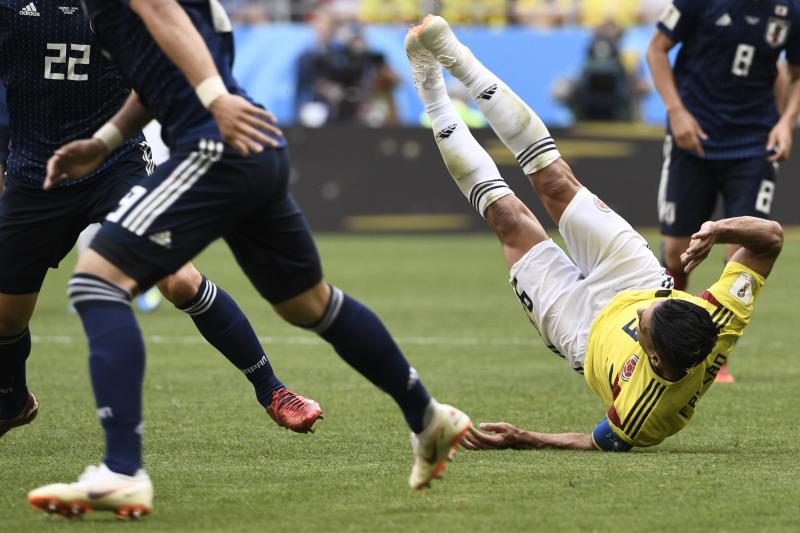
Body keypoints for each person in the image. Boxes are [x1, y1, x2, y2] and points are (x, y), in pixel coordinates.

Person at [27, 0, 470, 519]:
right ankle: (427, 416)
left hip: (215, 144)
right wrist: (103, 142)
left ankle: (122, 471)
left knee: (96, 282)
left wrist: (213, 101)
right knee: (310, 304)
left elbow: (165, 18)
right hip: (253, 143)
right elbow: (158, 67)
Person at [405, 16, 782, 453]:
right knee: (554, 180)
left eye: (644, 323)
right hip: (636, 278)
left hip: (580, 329)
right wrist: (720, 228)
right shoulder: (717, 318)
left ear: (654, 358)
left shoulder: (647, 412)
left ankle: (431, 88)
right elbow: (771, 238)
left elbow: (596, 441)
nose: (642, 315)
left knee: (509, 219)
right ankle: (457, 57)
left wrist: (524, 438)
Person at [0, 0, 322, 441]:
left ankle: (274, 391)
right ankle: (11, 402)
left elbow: (161, 71)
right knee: (7, 317)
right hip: (35, 172)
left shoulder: (119, 8)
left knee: (179, 279)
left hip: (117, 164)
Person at [646, 0, 800, 383]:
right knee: (675, 253)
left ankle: (712, 353)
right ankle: (668, 341)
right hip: (693, 137)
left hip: (753, 143)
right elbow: (656, 50)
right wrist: (675, 112)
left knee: (742, 252)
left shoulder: (790, 11)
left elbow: (795, 74)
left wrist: (786, 123)